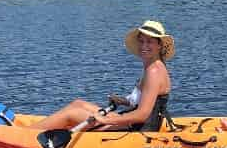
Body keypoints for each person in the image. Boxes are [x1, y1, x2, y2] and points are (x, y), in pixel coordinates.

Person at [30, 20, 174, 133]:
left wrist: (106, 120)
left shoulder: (153, 71)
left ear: (159, 45)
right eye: (142, 41)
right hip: (133, 120)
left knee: (72, 115)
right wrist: (123, 101)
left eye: (150, 41)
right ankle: (36, 129)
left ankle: (24, 135)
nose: (144, 46)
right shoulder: (153, 66)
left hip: (138, 128)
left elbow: (142, 114)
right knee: (78, 103)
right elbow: (145, 101)